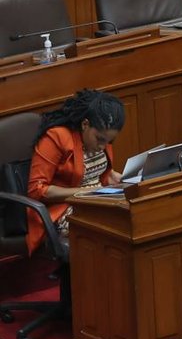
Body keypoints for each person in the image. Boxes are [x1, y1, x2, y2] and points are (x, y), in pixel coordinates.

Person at [26, 89, 123, 256]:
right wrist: (87, 192)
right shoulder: (56, 137)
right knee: (111, 231)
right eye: (100, 139)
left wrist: (116, 177)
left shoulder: (102, 137)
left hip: (97, 200)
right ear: (85, 124)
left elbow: (101, 173)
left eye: (109, 141)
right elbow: (37, 190)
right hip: (63, 208)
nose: (103, 146)